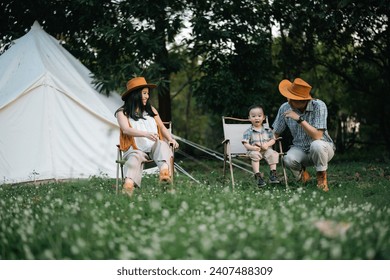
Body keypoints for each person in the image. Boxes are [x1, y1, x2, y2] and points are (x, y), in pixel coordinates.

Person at [115, 77, 179, 196]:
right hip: (135, 149)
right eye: (144, 93)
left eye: (147, 94)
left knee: (162, 144)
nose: (147, 96)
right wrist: (146, 134)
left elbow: (162, 127)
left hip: (153, 149)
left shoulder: (151, 110)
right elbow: (126, 129)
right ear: (135, 95)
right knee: (135, 157)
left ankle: (164, 174)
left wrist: (171, 139)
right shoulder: (122, 112)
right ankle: (128, 186)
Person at [272, 78, 335, 192]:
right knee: (287, 159)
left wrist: (299, 119)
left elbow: (317, 136)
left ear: (304, 101)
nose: (289, 102)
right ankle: (303, 176)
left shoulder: (319, 106)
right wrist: (264, 145)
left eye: (293, 99)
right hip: (300, 148)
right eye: (289, 97)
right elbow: (275, 132)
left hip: (323, 148)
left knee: (316, 145)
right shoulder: (285, 107)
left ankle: (321, 178)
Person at [242, 105, 280, 187]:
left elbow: (273, 140)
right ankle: (258, 176)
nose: (256, 118)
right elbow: (245, 143)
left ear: (263, 117)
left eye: (259, 116)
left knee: (272, 154)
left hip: (266, 149)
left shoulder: (268, 130)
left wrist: (267, 144)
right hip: (254, 150)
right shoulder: (248, 131)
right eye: (253, 116)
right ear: (249, 118)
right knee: (255, 155)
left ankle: (273, 174)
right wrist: (252, 148)